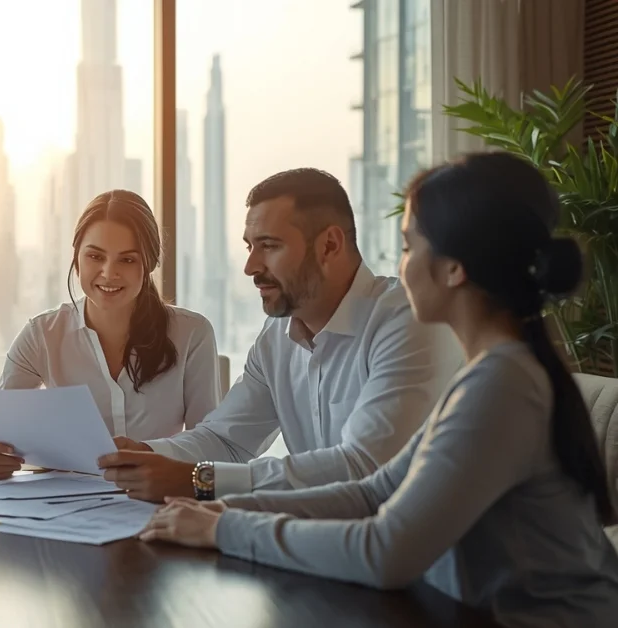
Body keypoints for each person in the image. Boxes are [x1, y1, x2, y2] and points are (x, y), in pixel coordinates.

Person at [141, 152, 618, 627]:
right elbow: (374, 492)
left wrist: (225, 527)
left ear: (454, 268)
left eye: (409, 246)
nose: (401, 266)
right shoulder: (489, 373)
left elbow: (385, 550)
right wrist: (220, 508)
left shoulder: (503, 385)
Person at [98, 168, 459, 502]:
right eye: (249, 247)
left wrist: (202, 481)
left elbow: (365, 467)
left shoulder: (407, 322)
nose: (250, 267)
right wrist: (146, 454)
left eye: (269, 246)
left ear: (329, 246)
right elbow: (227, 439)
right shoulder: (276, 336)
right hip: (321, 534)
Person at [0, 189, 223, 479]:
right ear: (76, 258)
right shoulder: (42, 335)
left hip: (159, 497)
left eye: (127, 260)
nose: (108, 273)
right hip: (66, 500)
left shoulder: (192, 334)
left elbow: (210, 443)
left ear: (150, 263)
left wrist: (151, 453)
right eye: (95, 256)